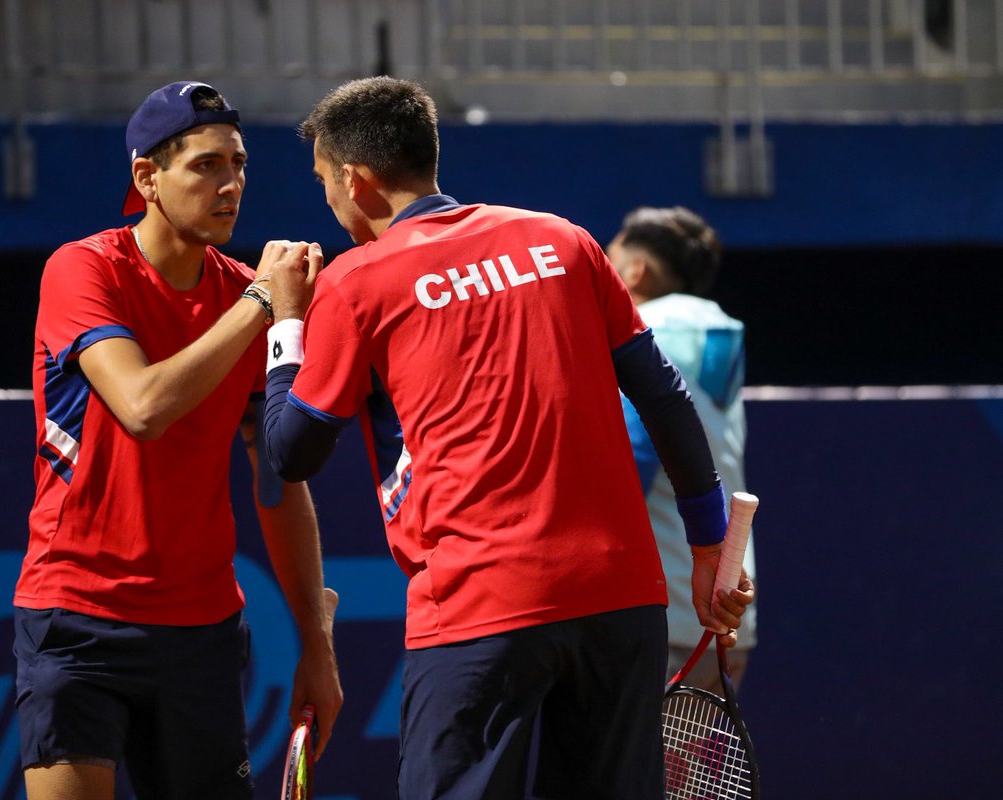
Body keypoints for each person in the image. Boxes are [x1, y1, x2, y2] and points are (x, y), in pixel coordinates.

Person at [258, 76, 754, 799]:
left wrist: (286, 325)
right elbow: (664, 397)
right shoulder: (564, 240)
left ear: (356, 180)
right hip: (621, 604)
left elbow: (290, 452)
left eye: (325, 184)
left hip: (477, 611)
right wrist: (707, 548)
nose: (328, 204)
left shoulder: (357, 282)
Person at [12, 80, 342, 800]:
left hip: (202, 633)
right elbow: (142, 406)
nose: (231, 184)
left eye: (240, 164)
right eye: (206, 165)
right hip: (77, 619)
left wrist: (316, 646)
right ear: (147, 178)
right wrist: (264, 301)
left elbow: (278, 480)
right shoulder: (83, 270)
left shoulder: (242, 299)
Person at [606, 206, 757, 695]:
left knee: (636, 775)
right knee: (684, 775)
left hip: (661, 615)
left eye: (610, 258)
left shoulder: (641, 333)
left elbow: (631, 462)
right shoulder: (719, 335)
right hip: (727, 610)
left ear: (636, 271)